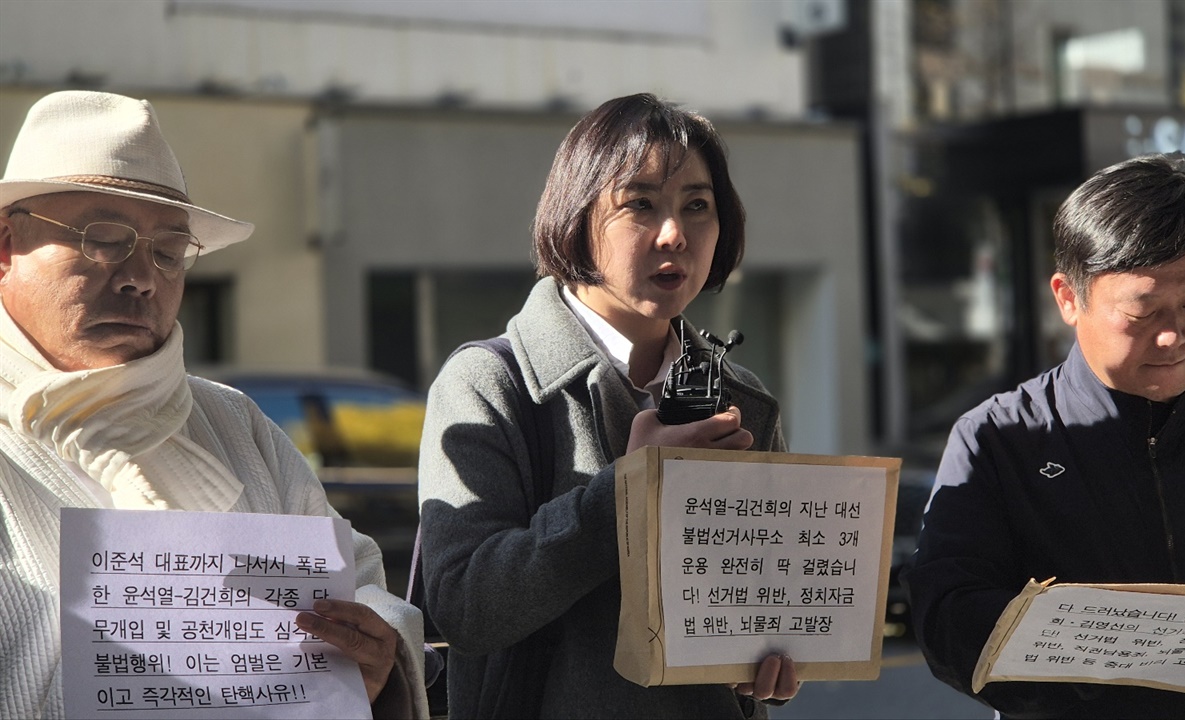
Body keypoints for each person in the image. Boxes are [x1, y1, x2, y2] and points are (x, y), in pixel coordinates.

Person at [0, 90, 429, 719]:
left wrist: (372, 663)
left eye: (169, 251)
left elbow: (359, 579)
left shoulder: (235, 422)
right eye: (104, 238)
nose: (141, 276)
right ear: (6, 244)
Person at [418, 93, 799, 718]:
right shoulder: (489, 382)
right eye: (640, 205)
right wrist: (628, 494)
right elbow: (467, 607)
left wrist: (773, 656)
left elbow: (757, 611)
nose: (674, 233)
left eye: (697, 206)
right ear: (577, 217)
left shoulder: (743, 400)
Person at [902, 154, 1185, 718]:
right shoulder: (997, 440)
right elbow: (946, 621)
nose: (1175, 335)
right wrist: (1107, 653)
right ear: (1068, 298)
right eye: (1142, 312)